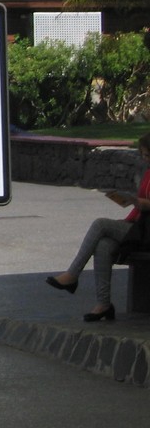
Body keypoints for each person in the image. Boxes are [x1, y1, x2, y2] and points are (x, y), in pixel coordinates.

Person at [46, 132, 150, 321]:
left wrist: (139, 202)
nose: (144, 159)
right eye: (143, 154)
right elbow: (140, 207)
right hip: (139, 227)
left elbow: (145, 204)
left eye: (148, 155)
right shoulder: (148, 173)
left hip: (146, 232)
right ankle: (103, 304)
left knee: (100, 224)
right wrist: (129, 211)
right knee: (103, 244)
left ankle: (73, 274)